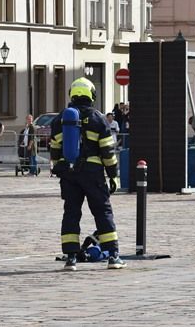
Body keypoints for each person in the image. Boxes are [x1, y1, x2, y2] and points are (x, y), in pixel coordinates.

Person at [49, 77, 125, 270]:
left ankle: (71, 258)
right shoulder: (97, 118)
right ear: (91, 95)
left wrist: (59, 169)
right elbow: (107, 151)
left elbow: (54, 149)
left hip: (69, 173)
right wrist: (113, 176)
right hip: (92, 173)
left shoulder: (61, 119)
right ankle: (113, 256)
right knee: (102, 212)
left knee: (71, 213)